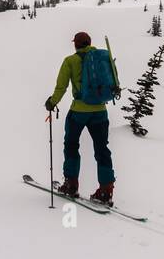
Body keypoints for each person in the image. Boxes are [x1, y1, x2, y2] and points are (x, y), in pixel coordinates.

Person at [45, 31, 119, 203]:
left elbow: (61, 87)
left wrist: (52, 103)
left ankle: (71, 185)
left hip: (78, 112)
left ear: (76, 44)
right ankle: (106, 191)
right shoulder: (103, 58)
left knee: (71, 145)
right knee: (102, 149)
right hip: (100, 111)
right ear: (89, 43)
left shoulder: (70, 61)